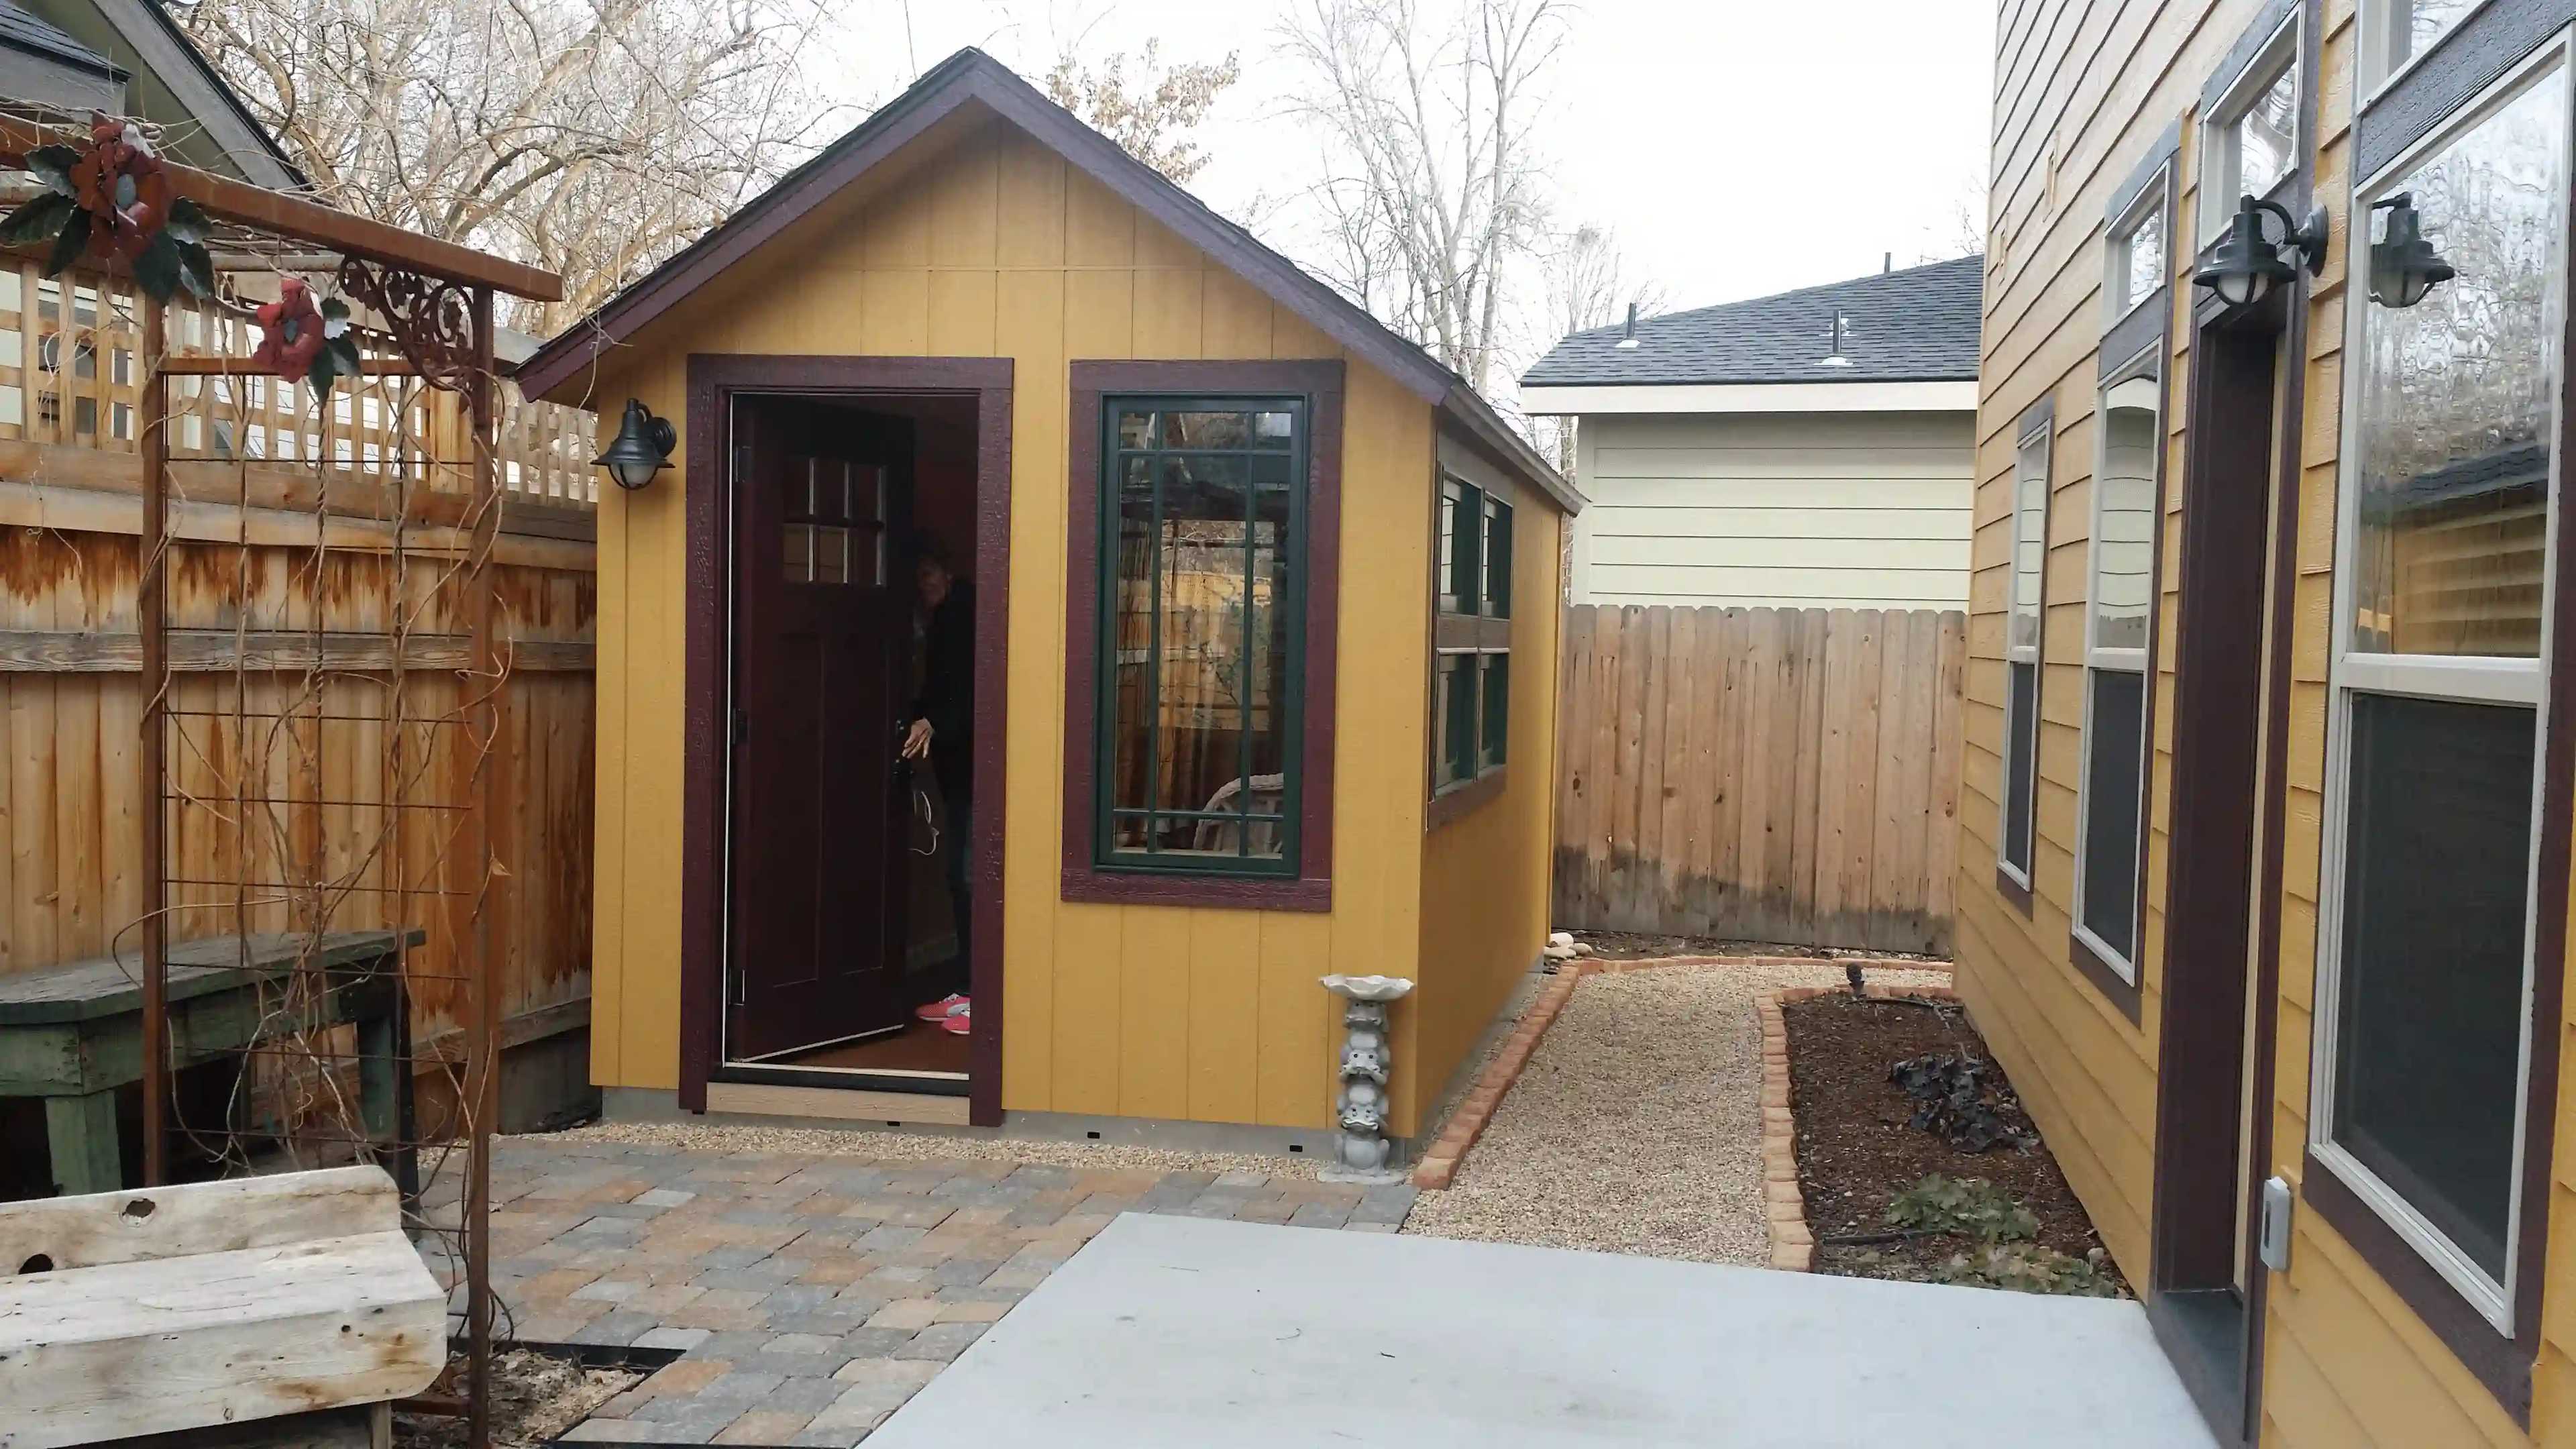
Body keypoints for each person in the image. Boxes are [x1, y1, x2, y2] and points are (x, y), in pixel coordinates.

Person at [902, 541, 975, 1036]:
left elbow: (976, 690)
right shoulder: (944, 620)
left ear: (946, 572)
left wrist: (934, 721)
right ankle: (969, 988)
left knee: (971, 876)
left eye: (929, 573)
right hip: (959, 770)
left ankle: (979, 995)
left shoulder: (964, 618)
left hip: (979, 770)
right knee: (960, 875)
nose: (923, 585)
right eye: (918, 577)